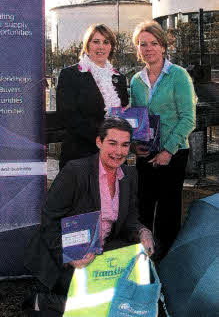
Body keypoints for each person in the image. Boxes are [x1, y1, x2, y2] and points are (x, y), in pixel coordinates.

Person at [24, 117, 154, 316]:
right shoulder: (76, 171)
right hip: (62, 256)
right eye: (112, 143)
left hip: (99, 252)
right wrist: (69, 257)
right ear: (99, 142)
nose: (118, 152)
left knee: (137, 285)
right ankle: (43, 301)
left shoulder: (129, 176)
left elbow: (129, 219)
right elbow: (49, 221)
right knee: (107, 300)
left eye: (125, 145)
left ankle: (54, 303)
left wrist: (142, 232)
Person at [130, 20, 197, 261]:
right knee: (144, 207)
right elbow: (136, 119)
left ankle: (168, 261)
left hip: (174, 152)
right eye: (142, 44)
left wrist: (168, 151)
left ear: (163, 46)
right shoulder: (135, 81)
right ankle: (144, 258)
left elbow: (188, 119)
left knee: (168, 211)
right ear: (137, 49)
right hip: (146, 152)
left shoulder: (178, 75)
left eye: (153, 43)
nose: (148, 48)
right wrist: (135, 144)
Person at [56, 24, 129, 169]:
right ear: (87, 45)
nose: (101, 47)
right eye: (96, 41)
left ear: (111, 47)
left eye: (106, 42)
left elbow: (123, 114)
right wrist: (104, 138)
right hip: (81, 155)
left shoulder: (119, 78)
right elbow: (68, 116)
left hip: (114, 156)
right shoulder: (70, 74)